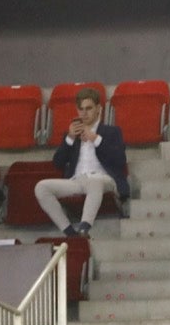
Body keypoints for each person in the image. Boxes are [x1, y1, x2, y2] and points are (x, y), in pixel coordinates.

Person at [36, 86, 128, 235]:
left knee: (94, 181)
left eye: (88, 108)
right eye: (81, 109)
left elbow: (120, 160)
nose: (84, 113)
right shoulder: (72, 134)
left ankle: (84, 228)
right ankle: (70, 232)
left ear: (98, 108)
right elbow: (57, 163)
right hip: (77, 180)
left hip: (104, 179)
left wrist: (95, 139)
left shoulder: (112, 131)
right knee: (41, 187)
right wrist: (70, 138)